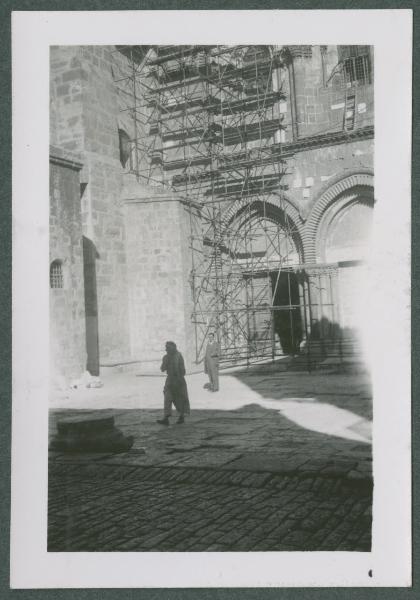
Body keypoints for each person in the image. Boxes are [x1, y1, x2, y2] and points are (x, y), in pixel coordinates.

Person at [157, 341, 190, 425]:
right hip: (169, 380)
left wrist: (178, 379)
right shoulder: (166, 357)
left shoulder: (179, 356)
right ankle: (166, 418)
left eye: (168, 348)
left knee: (179, 399)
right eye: (166, 348)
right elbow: (162, 369)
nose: (166, 350)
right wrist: (165, 362)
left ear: (173, 348)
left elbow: (183, 370)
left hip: (178, 380)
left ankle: (181, 416)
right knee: (167, 398)